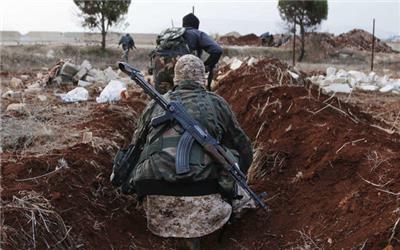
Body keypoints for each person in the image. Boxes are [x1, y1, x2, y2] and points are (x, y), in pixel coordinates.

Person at [128, 55, 253, 250]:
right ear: (202, 78)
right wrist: (239, 176)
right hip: (205, 198)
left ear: (176, 78)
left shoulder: (154, 104)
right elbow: (242, 146)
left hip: (155, 196)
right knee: (231, 158)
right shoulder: (217, 103)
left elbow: (136, 144)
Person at [151, 13, 223, 94]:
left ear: (183, 24)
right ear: (197, 26)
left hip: (158, 65)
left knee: (160, 100)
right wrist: (204, 66)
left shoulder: (169, 34)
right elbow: (217, 50)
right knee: (185, 98)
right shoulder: (197, 33)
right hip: (181, 65)